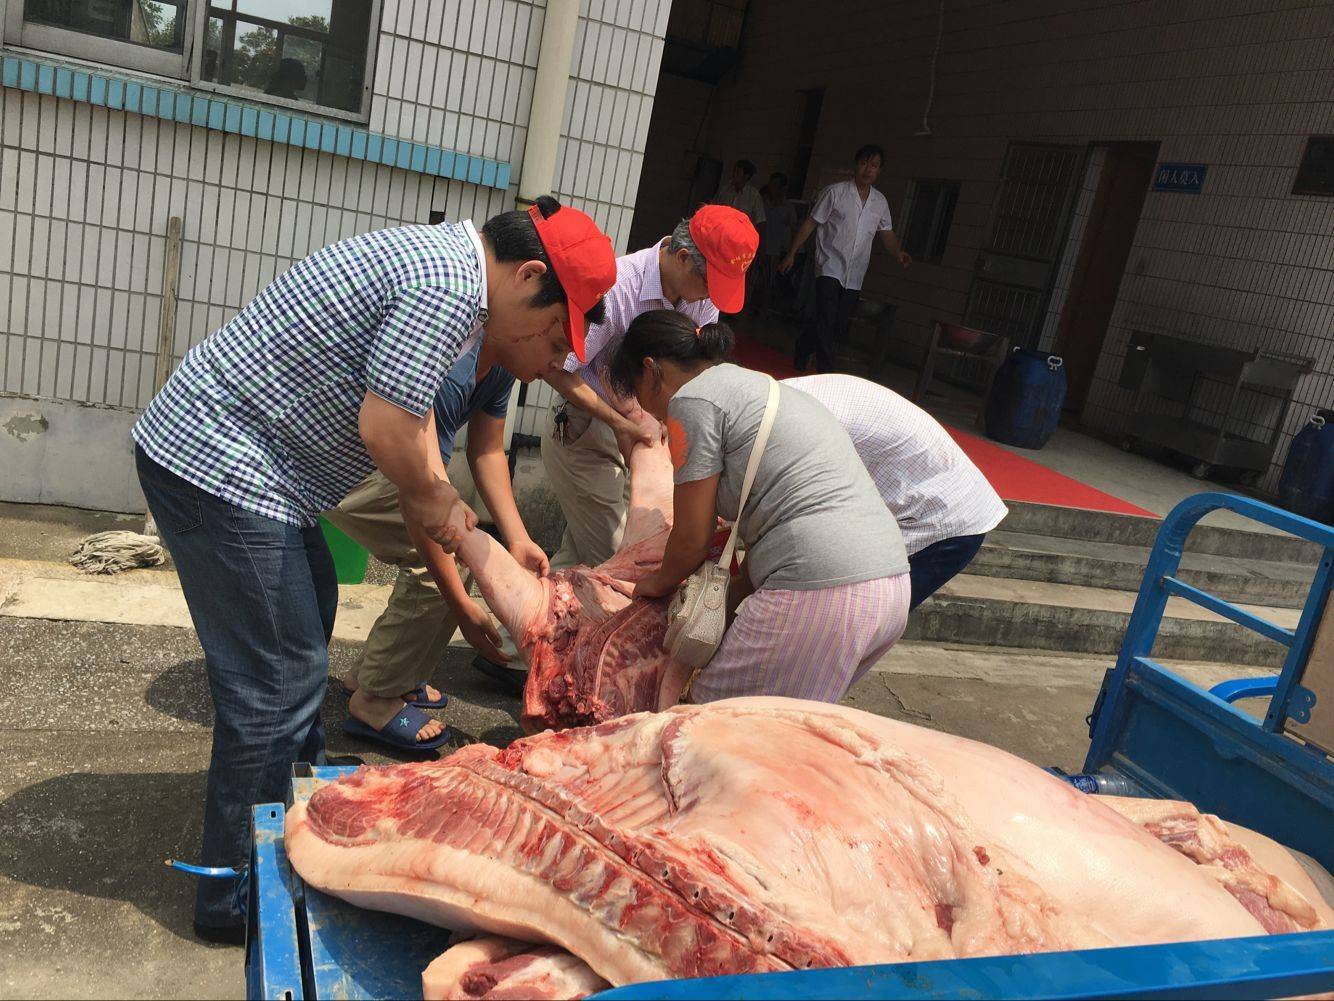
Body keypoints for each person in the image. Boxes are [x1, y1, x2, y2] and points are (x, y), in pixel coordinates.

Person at [132, 196, 615, 942]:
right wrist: (439, 505)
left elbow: (411, 419)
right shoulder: (449, 287)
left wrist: (446, 506)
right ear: (526, 275)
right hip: (222, 466)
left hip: (264, 473)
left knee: (311, 613)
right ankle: (233, 894)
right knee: (277, 683)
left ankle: (301, 812)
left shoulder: (454, 280)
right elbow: (387, 427)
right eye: (553, 331)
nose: (549, 353)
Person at [607, 311, 911, 704]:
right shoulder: (763, 388)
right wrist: (721, 606)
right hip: (889, 588)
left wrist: (656, 583)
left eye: (639, 394)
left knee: (705, 723)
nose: (650, 413)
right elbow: (777, 520)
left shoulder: (692, 400)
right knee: (782, 728)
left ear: (652, 371)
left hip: (821, 588)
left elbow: (692, 538)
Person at [324, 335, 545, 749]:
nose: (557, 365)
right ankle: (375, 698)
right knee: (445, 562)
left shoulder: (503, 363)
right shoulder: (453, 369)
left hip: (391, 468)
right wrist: (461, 606)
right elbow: (423, 504)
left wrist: (518, 538)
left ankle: (379, 675)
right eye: (556, 345)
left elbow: (487, 450)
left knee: (459, 551)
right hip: (348, 468)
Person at [540, 205, 759, 571]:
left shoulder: (702, 298)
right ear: (684, 258)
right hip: (588, 425)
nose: (711, 298)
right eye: (710, 284)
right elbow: (555, 368)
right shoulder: (619, 286)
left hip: (649, 432)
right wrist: (621, 423)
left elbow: (696, 376)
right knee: (620, 559)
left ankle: (536, 610)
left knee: (585, 557)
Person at [785, 374, 1009, 609]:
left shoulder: (802, 425)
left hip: (942, 520)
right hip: (919, 500)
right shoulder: (791, 398)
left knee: (858, 618)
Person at [780, 144, 912, 372]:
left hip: (855, 273)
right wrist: (792, 253)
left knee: (837, 322)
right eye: (864, 163)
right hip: (829, 265)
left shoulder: (880, 202)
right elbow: (811, 223)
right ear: (855, 165)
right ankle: (826, 371)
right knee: (827, 317)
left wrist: (898, 252)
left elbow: (887, 233)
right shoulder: (835, 192)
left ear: (879, 170)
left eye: (874, 165)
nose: (868, 169)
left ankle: (804, 345)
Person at [754, 172, 799, 315]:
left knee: (768, 282)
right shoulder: (761, 202)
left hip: (774, 250)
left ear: (782, 188)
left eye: (775, 185)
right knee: (752, 281)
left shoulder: (788, 207)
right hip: (755, 248)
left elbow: (794, 230)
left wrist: (792, 252)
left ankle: (763, 311)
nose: (771, 187)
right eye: (771, 184)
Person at [713, 159, 766, 230]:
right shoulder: (724, 191)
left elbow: (761, 221)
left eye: (737, 172)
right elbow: (715, 211)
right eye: (734, 171)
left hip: (742, 234)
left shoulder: (754, 196)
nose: (734, 174)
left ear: (746, 176)